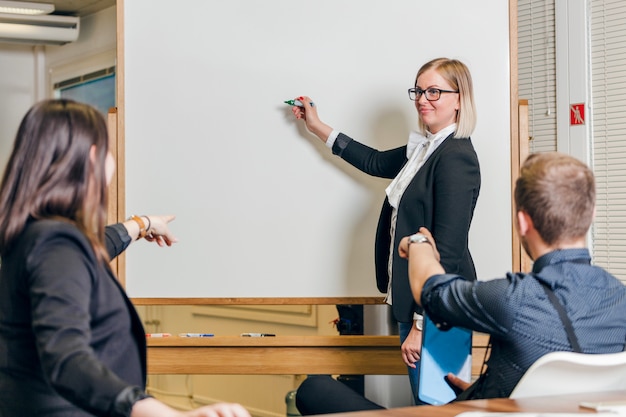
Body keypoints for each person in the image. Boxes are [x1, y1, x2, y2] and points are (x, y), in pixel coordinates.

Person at [295, 152, 626, 414]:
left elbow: (431, 288)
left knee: (314, 390)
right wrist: (480, 392)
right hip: (490, 405)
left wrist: (418, 243)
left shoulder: (513, 298)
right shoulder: (619, 299)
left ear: (523, 222)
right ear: (591, 213)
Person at [0, 99, 251, 417]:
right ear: (93, 157)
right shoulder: (57, 243)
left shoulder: (35, 233)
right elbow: (67, 360)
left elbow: (88, 252)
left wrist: (140, 225)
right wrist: (169, 415)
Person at [290, 57, 480, 403]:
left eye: (434, 91)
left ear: (459, 99)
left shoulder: (455, 157)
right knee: (430, 404)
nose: (423, 99)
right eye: (419, 91)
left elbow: (448, 251)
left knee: (438, 406)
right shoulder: (425, 149)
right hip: (418, 303)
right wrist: (317, 126)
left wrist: (422, 326)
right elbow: (374, 161)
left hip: (440, 311)